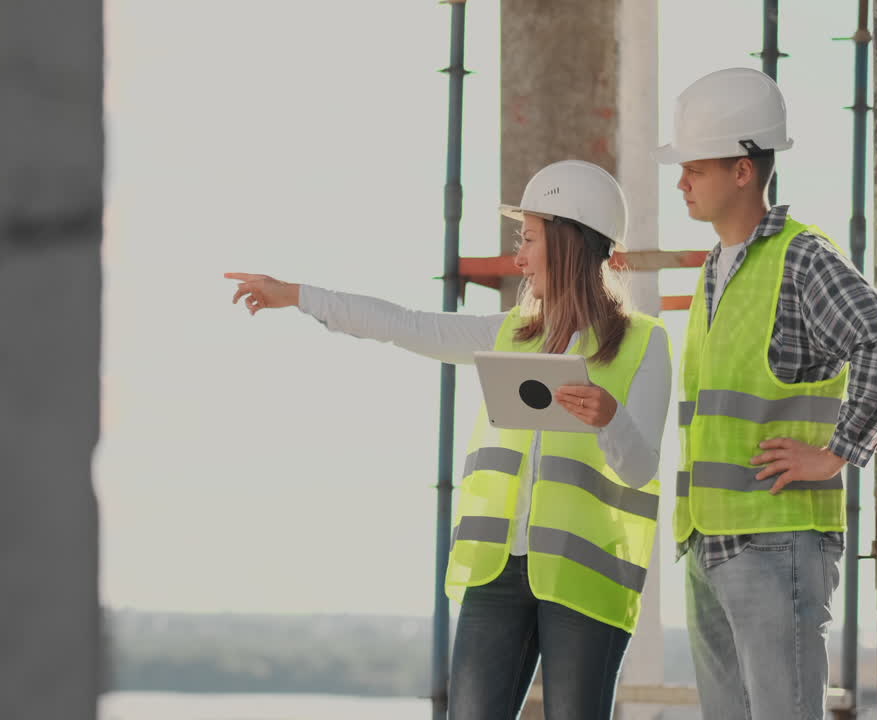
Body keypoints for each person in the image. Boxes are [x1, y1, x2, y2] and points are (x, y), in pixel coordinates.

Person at [226, 160, 672, 720]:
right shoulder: (507, 334)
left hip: (585, 580)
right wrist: (296, 294)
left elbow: (640, 470)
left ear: (568, 242)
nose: (519, 257)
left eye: (530, 239)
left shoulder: (644, 344)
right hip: (497, 572)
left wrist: (610, 418)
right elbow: (404, 324)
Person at [655, 67, 877, 720]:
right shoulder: (718, 268)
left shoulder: (801, 259)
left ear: (744, 169)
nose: (681, 181)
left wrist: (837, 452)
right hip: (708, 541)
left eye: (696, 167)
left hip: (775, 542)